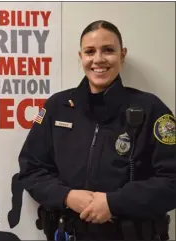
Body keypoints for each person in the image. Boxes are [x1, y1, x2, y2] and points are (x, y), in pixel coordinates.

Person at [18, 20, 176, 241]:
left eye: (108, 50)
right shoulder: (57, 107)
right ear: (81, 56)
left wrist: (114, 203)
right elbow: (31, 169)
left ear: (122, 55)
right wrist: (67, 196)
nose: (98, 59)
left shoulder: (151, 109)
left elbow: (171, 181)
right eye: (90, 51)